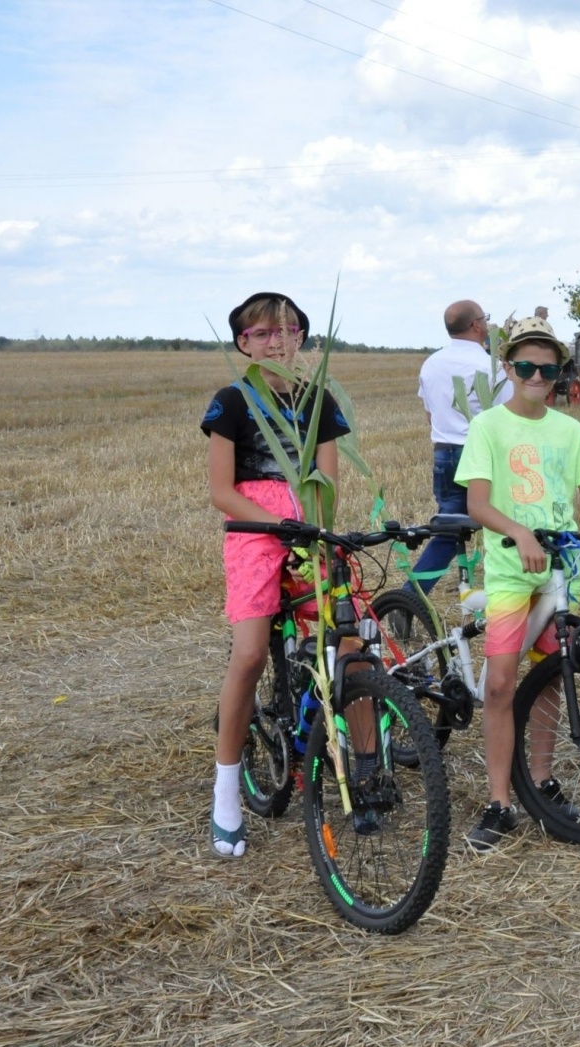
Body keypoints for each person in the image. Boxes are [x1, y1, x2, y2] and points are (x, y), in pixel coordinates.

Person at [456, 316, 580, 853]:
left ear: (561, 372)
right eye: (527, 366)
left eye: (548, 368)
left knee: (552, 674)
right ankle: (498, 802)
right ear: (509, 369)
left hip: (563, 571)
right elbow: (477, 502)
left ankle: (540, 781)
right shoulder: (489, 426)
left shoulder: (570, 429)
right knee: (500, 684)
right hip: (513, 570)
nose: (538, 375)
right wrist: (518, 531)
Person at [202, 292, 350, 857]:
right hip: (253, 531)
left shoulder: (319, 401)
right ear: (243, 344)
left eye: (287, 331)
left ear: (302, 341)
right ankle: (226, 789)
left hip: (310, 526)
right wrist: (279, 522)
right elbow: (222, 491)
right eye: (262, 333)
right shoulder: (232, 403)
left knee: (351, 639)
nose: (276, 341)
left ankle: (366, 769)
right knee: (250, 654)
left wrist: (313, 525)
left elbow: (327, 482)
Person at [412, 300, 508, 594]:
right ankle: (507, 591)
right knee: (508, 524)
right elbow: (508, 417)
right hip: (482, 456)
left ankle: (410, 596)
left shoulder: (431, 364)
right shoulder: (489, 366)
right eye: (485, 319)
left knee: (449, 531)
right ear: (476, 325)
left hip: (444, 452)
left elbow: (430, 414)